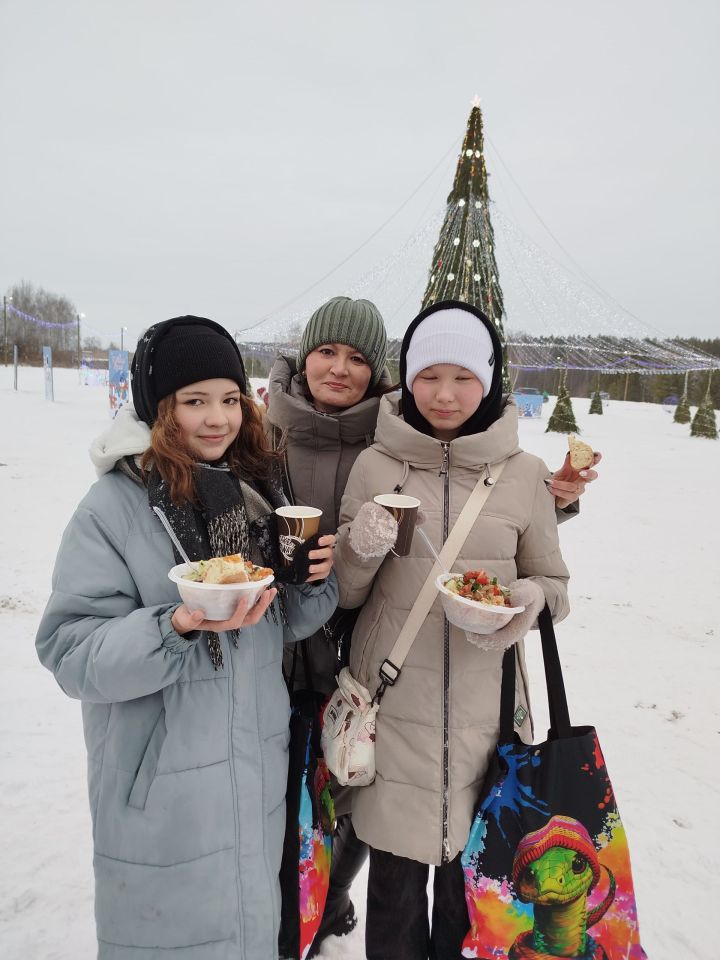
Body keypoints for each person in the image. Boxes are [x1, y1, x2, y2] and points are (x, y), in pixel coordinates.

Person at [35, 316, 339, 960]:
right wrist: (174, 626)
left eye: (229, 399)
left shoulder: (254, 492)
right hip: (161, 789)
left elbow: (280, 624)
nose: (217, 419)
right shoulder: (113, 507)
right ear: (157, 407)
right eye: (194, 401)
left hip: (252, 778)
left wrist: (309, 579)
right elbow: (69, 652)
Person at [332, 300, 571, 960]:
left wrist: (527, 598)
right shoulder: (377, 465)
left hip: (487, 726)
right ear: (406, 378)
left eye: (463, 376)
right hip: (393, 717)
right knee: (394, 900)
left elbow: (555, 586)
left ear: (489, 380)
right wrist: (361, 547)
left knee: (473, 909)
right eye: (428, 374)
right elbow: (348, 592)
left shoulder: (524, 476)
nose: (444, 393)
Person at [265, 295, 392, 957]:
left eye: (357, 358)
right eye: (326, 352)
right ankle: (283, 923)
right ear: (304, 355)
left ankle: (335, 893)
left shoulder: (395, 439)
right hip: (276, 647)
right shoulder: (259, 429)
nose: (339, 369)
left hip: (361, 649)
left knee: (356, 787)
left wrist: (559, 501)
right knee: (282, 794)